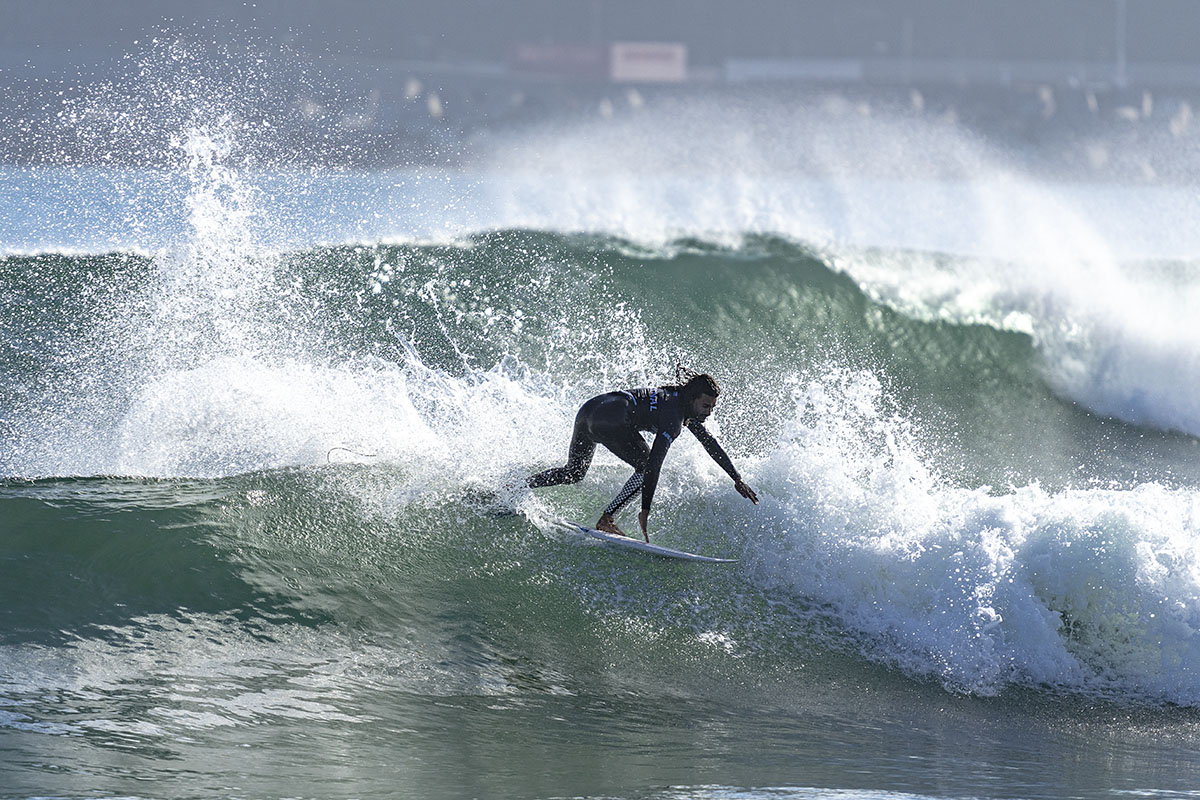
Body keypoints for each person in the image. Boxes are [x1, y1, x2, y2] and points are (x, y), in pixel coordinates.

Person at [527, 372, 758, 541]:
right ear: (692, 399)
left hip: (589, 411)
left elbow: (709, 442)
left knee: (573, 473)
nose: (709, 413)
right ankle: (607, 519)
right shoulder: (673, 418)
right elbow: (654, 464)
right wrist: (645, 509)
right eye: (706, 406)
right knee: (646, 467)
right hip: (610, 420)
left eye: (712, 408)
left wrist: (736, 478)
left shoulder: (676, 399)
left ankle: (520, 485)